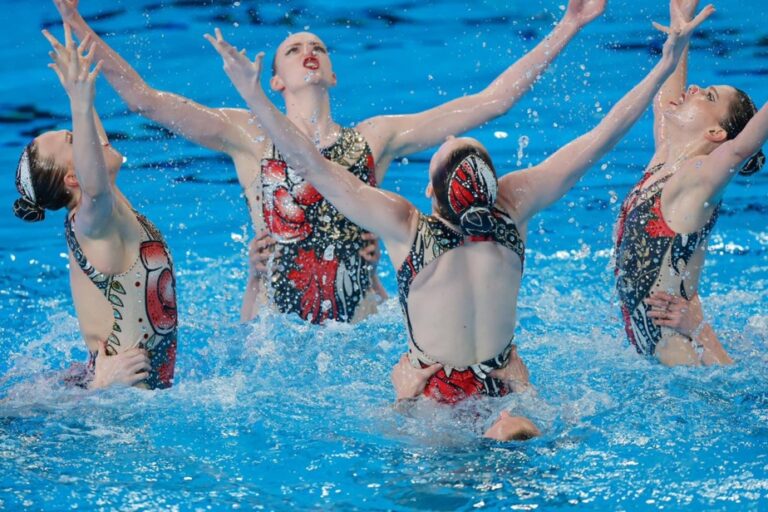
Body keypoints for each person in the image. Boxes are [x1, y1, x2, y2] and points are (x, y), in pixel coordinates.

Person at [205, 5, 711, 439]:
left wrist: (255, 99)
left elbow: (312, 164)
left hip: (432, 402)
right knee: (523, 425)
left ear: (429, 191)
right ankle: (516, 424)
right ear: (497, 185)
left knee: (417, 445)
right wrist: (664, 63)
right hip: (505, 388)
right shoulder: (514, 211)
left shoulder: (407, 225)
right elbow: (602, 136)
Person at [52, 0, 606, 323]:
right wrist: (79, 24)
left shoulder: (376, 137)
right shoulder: (247, 131)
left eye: (317, 47)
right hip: (271, 324)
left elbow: (490, 102)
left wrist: (569, 24)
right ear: (275, 80)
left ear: (333, 74)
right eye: (292, 50)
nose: (307, 51)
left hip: (362, 321)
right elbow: (143, 99)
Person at [12, 25, 177, 390]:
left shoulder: (107, 205)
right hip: (106, 407)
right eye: (73, 139)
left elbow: (99, 156)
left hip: (111, 392)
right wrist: (78, 101)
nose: (82, 135)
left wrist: (69, 19)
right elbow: (95, 181)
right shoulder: (93, 221)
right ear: (74, 179)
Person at [614, 0, 766, 366]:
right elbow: (666, 98)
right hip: (657, 362)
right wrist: (680, 25)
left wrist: (699, 328)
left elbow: (741, 148)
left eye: (708, 96)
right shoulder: (666, 156)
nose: (695, 88)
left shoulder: (698, 176)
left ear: (716, 132)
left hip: (688, 365)